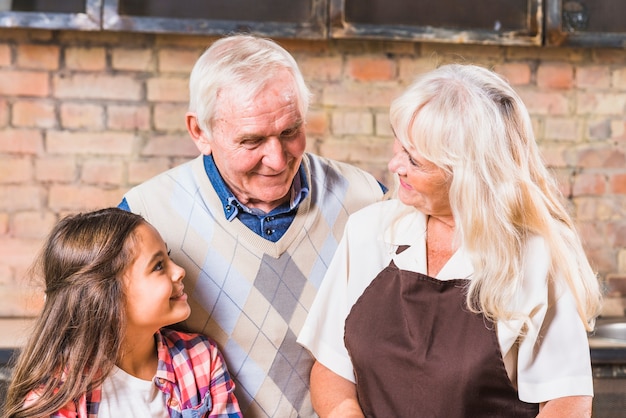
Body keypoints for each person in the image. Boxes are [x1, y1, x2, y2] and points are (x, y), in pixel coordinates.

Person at [297, 64, 603, 417]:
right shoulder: (368, 232)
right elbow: (331, 368)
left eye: (415, 160)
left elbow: (566, 401)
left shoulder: (536, 257)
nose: (395, 165)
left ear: (469, 175)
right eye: (400, 143)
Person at [118, 34, 386, 417]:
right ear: (200, 132)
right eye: (251, 140)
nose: (277, 160)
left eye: (290, 131)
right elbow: (101, 353)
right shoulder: (146, 216)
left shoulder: (366, 199)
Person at [2, 208, 241, 418]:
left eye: (168, 257)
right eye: (158, 266)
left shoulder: (201, 358)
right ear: (107, 297)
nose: (179, 271)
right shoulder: (57, 393)